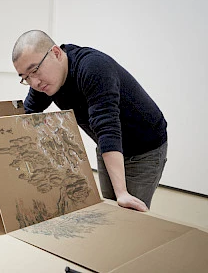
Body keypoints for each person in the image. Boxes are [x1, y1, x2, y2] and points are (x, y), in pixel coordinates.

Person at [12, 30, 167, 212]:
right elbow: (26, 114)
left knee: (129, 212)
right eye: (25, 78)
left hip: (144, 146)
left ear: (56, 53)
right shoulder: (43, 83)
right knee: (111, 207)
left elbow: (107, 127)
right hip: (107, 145)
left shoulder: (93, 68)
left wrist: (122, 192)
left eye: (35, 70)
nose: (34, 83)